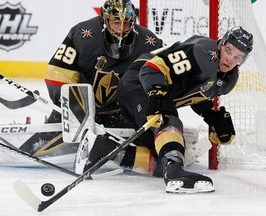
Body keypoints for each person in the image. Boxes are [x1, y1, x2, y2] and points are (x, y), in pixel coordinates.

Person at [77, 26, 253, 193]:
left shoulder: (228, 78)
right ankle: (176, 174)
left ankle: (101, 149)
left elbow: (191, 90)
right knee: (167, 120)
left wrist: (211, 116)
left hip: (150, 89)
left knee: (164, 159)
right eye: (229, 51)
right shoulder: (204, 52)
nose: (231, 59)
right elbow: (151, 68)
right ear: (221, 44)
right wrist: (157, 91)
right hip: (137, 84)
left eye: (238, 57)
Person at [44, 0, 163, 128]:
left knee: (132, 146)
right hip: (78, 109)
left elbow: (165, 72)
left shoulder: (149, 42)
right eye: (116, 22)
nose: (121, 29)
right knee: (42, 143)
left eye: (126, 23)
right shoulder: (82, 35)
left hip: (121, 112)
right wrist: (71, 104)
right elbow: (58, 72)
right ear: (105, 19)